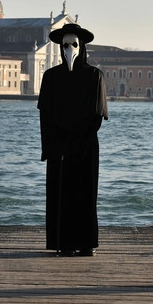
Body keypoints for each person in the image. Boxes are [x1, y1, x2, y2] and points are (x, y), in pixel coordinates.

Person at [37, 23, 108, 257]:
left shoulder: (95, 76)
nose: (69, 49)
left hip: (85, 146)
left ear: (82, 47)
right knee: (61, 194)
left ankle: (86, 243)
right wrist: (53, 145)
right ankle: (63, 242)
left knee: (86, 193)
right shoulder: (51, 77)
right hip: (59, 148)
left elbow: (97, 116)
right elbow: (45, 115)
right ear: (59, 47)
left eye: (73, 45)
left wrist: (77, 139)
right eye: (65, 45)